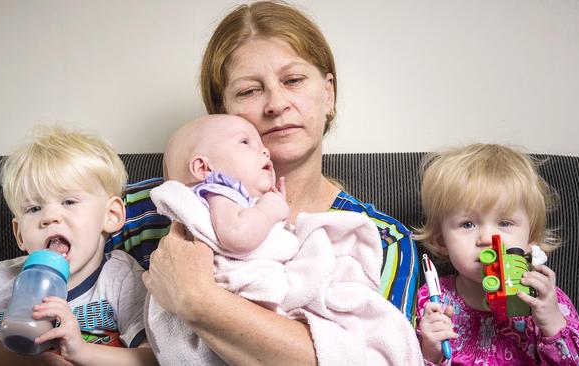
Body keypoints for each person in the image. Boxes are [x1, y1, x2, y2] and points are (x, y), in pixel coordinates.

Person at [132, 1, 420, 364]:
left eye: (294, 80)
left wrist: (196, 298)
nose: (277, 103)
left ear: (327, 94)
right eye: (250, 91)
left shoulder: (380, 239)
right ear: (221, 113)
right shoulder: (151, 208)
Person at [145, 114, 420, 365]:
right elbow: (237, 236)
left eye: (293, 80)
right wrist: (271, 208)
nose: (263, 150)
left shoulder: (390, 238)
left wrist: (196, 297)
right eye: (245, 142)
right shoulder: (217, 191)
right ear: (204, 168)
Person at [0, 126, 155, 366]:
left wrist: (82, 352)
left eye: (69, 201)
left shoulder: (120, 277)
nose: (49, 217)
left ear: (111, 215)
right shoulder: (3, 280)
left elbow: (150, 358)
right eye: (34, 208)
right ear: (19, 234)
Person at [414, 143, 579, 365]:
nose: (487, 238)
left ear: (530, 238)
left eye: (504, 223)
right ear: (441, 240)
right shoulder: (431, 300)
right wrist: (430, 351)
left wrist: (552, 323)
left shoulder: (545, 300)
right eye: (467, 224)